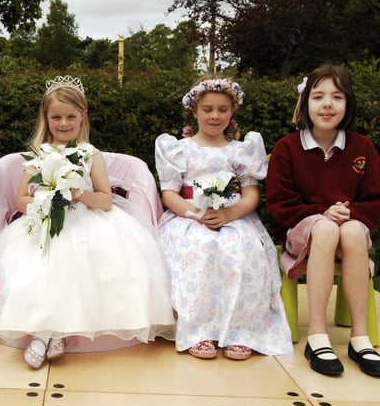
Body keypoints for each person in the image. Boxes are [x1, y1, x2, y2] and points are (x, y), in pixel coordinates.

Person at [0, 75, 174, 369]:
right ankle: (48, 332)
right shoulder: (38, 154)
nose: (63, 124)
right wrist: (43, 201)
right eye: (56, 117)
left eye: (70, 117)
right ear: (45, 118)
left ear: (82, 116)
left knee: (81, 258)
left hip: (87, 219)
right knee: (38, 263)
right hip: (46, 219)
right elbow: (21, 199)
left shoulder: (91, 154)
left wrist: (78, 194)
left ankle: (49, 333)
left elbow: (105, 199)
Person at [155, 76, 293, 361]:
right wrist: (196, 214)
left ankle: (241, 330)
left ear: (232, 113)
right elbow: (169, 193)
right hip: (190, 217)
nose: (215, 116)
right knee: (198, 248)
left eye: (222, 109)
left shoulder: (241, 150)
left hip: (233, 216)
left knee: (242, 249)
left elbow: (251, 195)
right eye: (207, 109)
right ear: (194, 111)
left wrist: (229, 214)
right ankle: (198, 328)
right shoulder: (178, 148)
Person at [267, 64, 380, 377]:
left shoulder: (363, 148)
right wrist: (322, 212)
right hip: (304, 233)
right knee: (327, 228)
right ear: (305, 105)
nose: (327, 104)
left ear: (348, 104)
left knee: (355, 231)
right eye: (318, 97)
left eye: (337, 97)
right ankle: (317, 335)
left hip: (349, 234)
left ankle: (360, 337)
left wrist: (349, 214)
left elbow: (374, 200)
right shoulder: (287, 148)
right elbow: (280, 203)